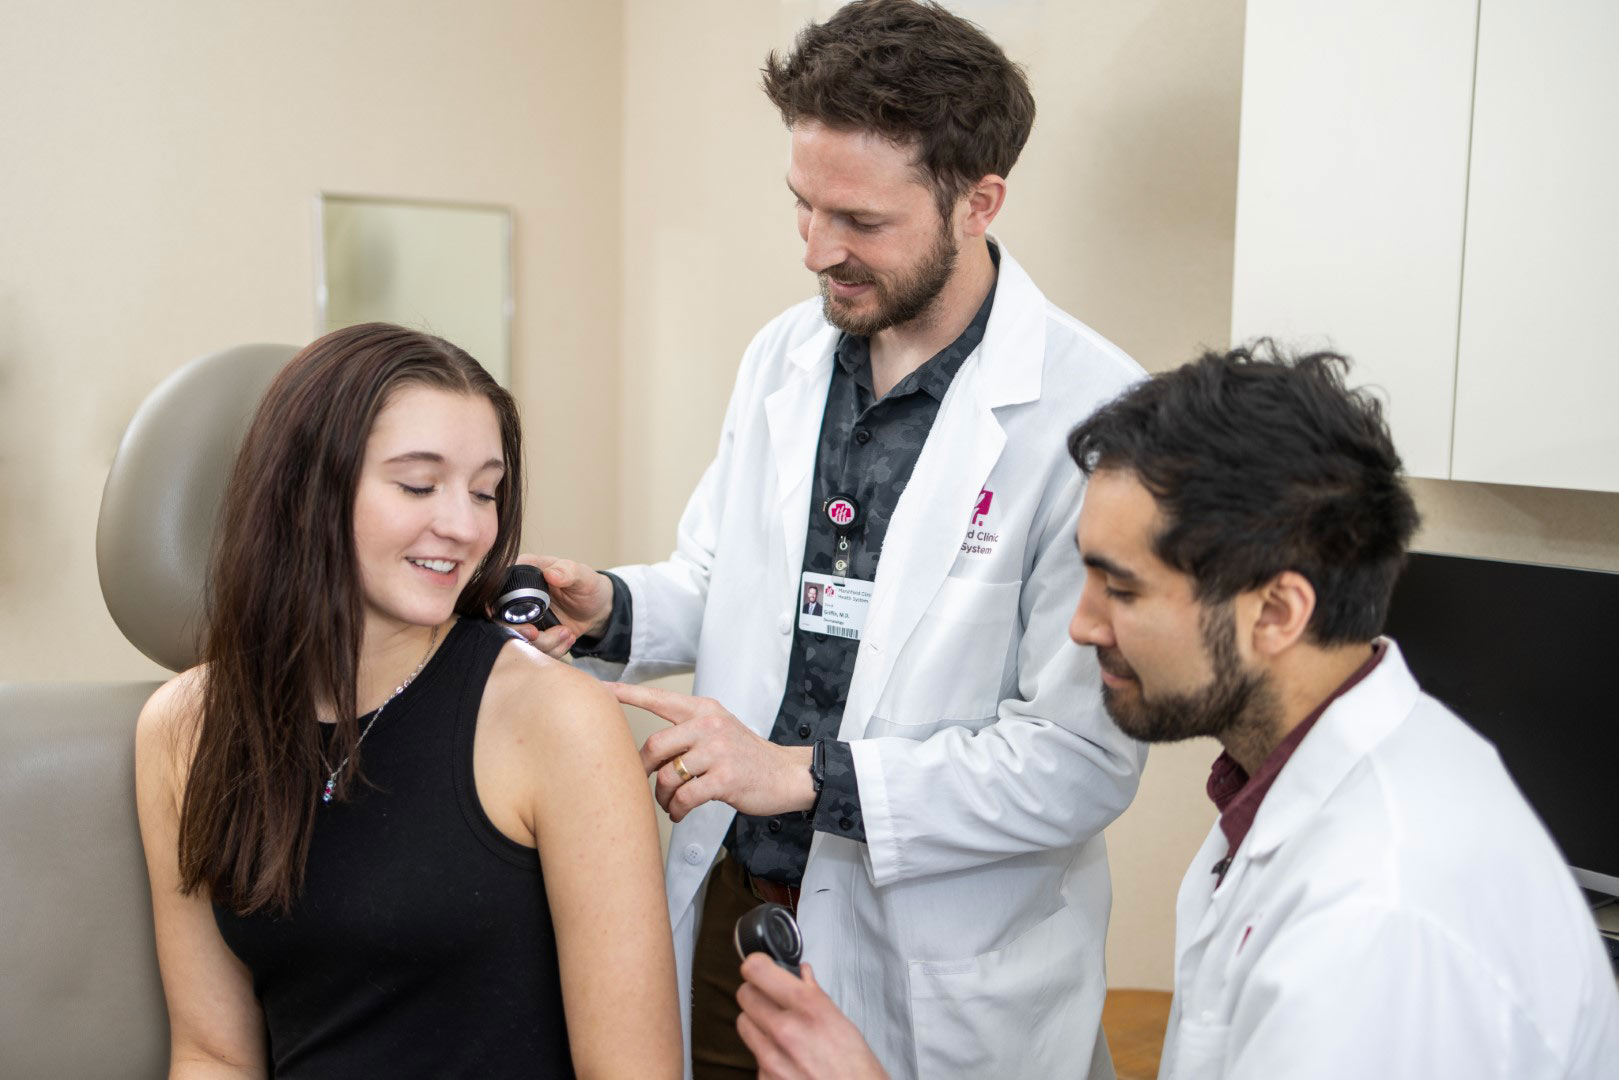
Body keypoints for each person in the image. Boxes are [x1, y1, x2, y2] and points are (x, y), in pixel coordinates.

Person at [519, 2, 1146, 1074]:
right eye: (803, 206)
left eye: (857, 220)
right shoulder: (784, 356)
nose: (817, 250)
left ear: (977, 201)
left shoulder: (1098, 419)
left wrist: (808, 776)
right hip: (738, 907)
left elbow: (1077, 762)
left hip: (932, 968)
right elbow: (729, 582)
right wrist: (615, 610)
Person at [737, 343, 1619, 1079]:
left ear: (1276, 612)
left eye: (1120, 589)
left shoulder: (1377, 926)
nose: (1081, 627)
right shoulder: (1303, 781)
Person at [134, 323, 681, 1078]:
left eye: (485, 491)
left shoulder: (553, 720)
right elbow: (213, 1052)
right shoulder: (184, 727)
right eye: (419, 485)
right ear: (305, 493)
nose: (464, 527)